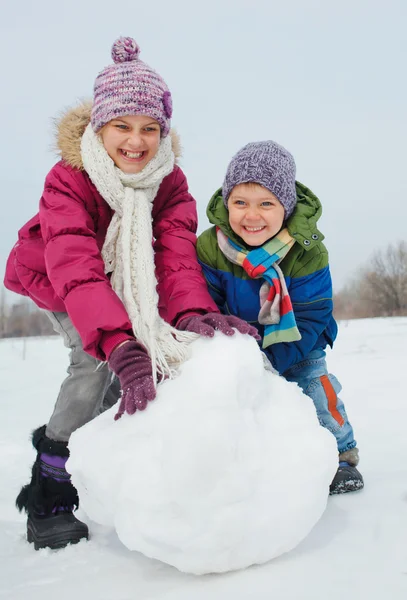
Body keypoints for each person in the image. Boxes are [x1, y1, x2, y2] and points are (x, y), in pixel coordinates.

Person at [4, 37, 258, 550]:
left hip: (121, 279)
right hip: (59, 278)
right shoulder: (69, 178)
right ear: (99, 127)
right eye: (122, 126)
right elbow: (75, 264)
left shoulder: (170, 181)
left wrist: (190, 312)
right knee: (96, 364)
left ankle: (111, 463)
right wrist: (118, 343)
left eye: (149, 128)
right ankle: (50, 486)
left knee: (147, 360)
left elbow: (176, 257)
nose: (136, 141)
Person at [196, 140, 364, 495]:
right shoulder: (212, 245)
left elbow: (313, 312)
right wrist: (234, 351)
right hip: (240, 342)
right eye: (240, 203)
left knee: (313, 390)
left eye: (266, 204)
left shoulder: (307, 249)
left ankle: (341, 453)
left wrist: (273, 360)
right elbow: (206, 302)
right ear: (227, 203)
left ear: (285, 208)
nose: (251, 216)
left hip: (299, 338)